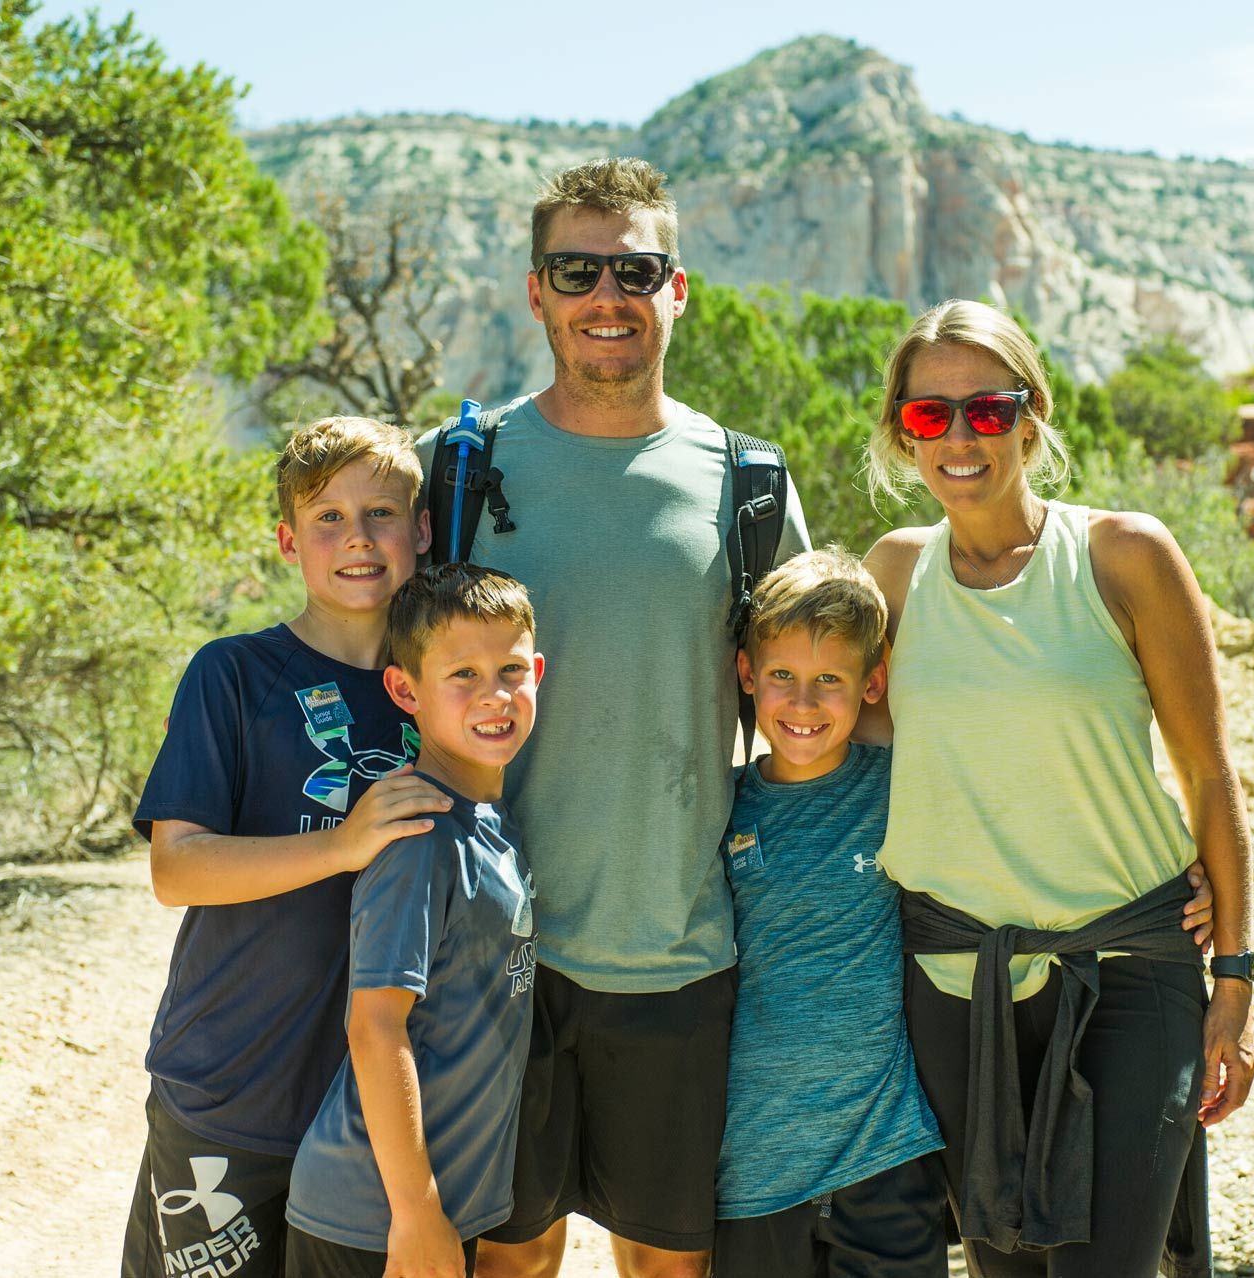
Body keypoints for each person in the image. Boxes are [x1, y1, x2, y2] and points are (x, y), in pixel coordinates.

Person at [415, 157, 809, 1278]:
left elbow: (818, 703)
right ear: (535, 292)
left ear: (677, 290)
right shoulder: (459, 469)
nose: (607, 297)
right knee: (510, 1258)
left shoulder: (748, 485)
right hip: (491, 952)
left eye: (634, 270)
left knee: (666, 1264)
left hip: (675, 949)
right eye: (576, 270)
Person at [861, 300, 1254, 1278]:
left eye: (987, 410)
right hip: (959, 985)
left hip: (1128, 972)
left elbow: (1210, 772)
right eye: (929, 416)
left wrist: (1236, 979)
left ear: (1031, 416)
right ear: (900, 433)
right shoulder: (895, 575)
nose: (960, 438)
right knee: (1004, 1268)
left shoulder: (1126, 556)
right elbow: (840, 754)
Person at [122, 417, 454, 1278]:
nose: (358, 539)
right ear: (287, 541)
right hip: (229, 1089)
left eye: (382, 513)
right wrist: (343, 845)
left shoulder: (446, 697)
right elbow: (176, 867)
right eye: (328, 519)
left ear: (421, 530)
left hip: (373, 1115)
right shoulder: (232, 675)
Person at [284, 563, 544, 1278]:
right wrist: (417, 1211)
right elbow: (375, 1026)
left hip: (427, 1211)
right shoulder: (419, 833)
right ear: (406, 690)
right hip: (374, 1218)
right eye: (462, 674)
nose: (494, 695)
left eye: (511, 670)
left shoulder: (493, 819)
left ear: (538, 673)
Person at [711, 548, 947, 1278]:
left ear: (873, 683)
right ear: (748, 675)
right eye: (781, 675)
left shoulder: (903, 785)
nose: (802, 703)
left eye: (829, 681)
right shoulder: (722, 807)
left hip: (887, 1148)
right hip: (753, 1163)